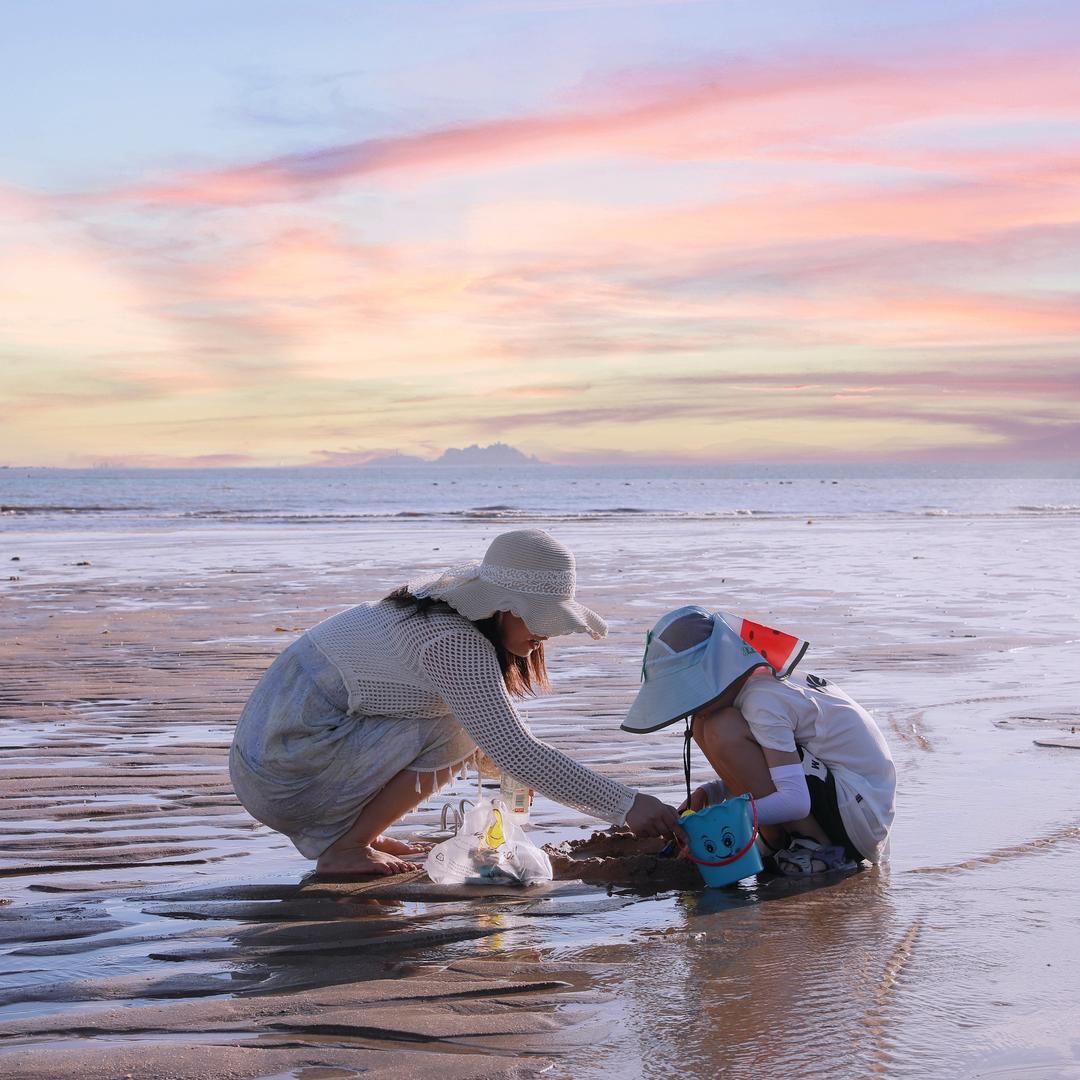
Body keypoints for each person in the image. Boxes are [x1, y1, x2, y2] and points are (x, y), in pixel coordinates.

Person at [230, 529, 682, 876]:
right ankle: (346, 849)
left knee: (471, 726)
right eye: (541, 615)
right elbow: (516, 751)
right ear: (502, 606)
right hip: (281, 773)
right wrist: (626, 804)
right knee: (462, 728)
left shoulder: (442, 614)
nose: (548, 633)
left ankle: (355, 835)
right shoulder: (453, 642)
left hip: (272, 759)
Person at [622, 606, 895, 874]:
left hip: (860, 818)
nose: (689, 705)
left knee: (719, 726)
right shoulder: (754, 689)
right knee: (705, 724)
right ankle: (779, 838)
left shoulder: (762, 700)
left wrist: (719, 818)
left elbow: (795, 800)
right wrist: (714, 792)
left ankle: (813, 847)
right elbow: (775, 767)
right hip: (850, 806)